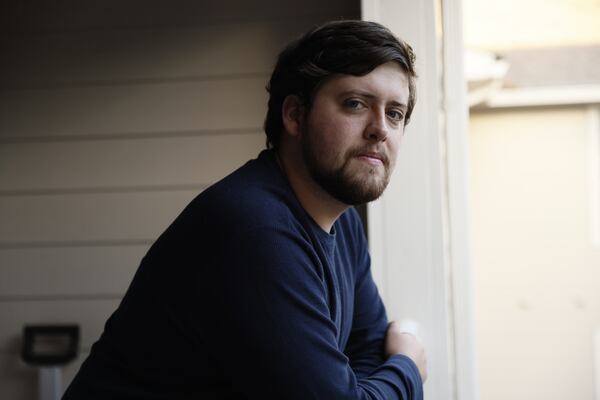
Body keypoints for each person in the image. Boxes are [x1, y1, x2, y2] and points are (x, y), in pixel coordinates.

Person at [62, 20, 426, 399]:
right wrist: (408, 366)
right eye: (355, 103)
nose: (380, 129)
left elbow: (365, 348)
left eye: (395, 113)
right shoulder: (256, 230)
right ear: (294, 115)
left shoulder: (343, 221)